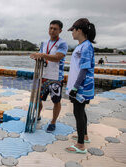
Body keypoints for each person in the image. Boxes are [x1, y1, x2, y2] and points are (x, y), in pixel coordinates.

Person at [30, 20, 68, 132]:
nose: (52, 30)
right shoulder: (44, 43)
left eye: (55, 29)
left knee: (56, 101)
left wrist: (41, 55)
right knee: (38, 99)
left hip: (56, 77)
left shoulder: (62, 43)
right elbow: (43, 56)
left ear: (60, 31)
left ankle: (53, 122)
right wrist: (37, 57)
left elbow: (58, 57)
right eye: (50, 28)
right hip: (43, 75)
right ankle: (38, 115)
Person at [65, 18, 96, 154]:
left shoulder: (86, 46)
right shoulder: (81, 45)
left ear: (80, 30)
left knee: (78, 112)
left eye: (73, 30)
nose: (72, 33)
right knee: (81, 111)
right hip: (78, 86)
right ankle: (84, 136)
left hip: (81, 87)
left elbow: (84, 69)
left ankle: (80, 145)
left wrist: (76, 88)